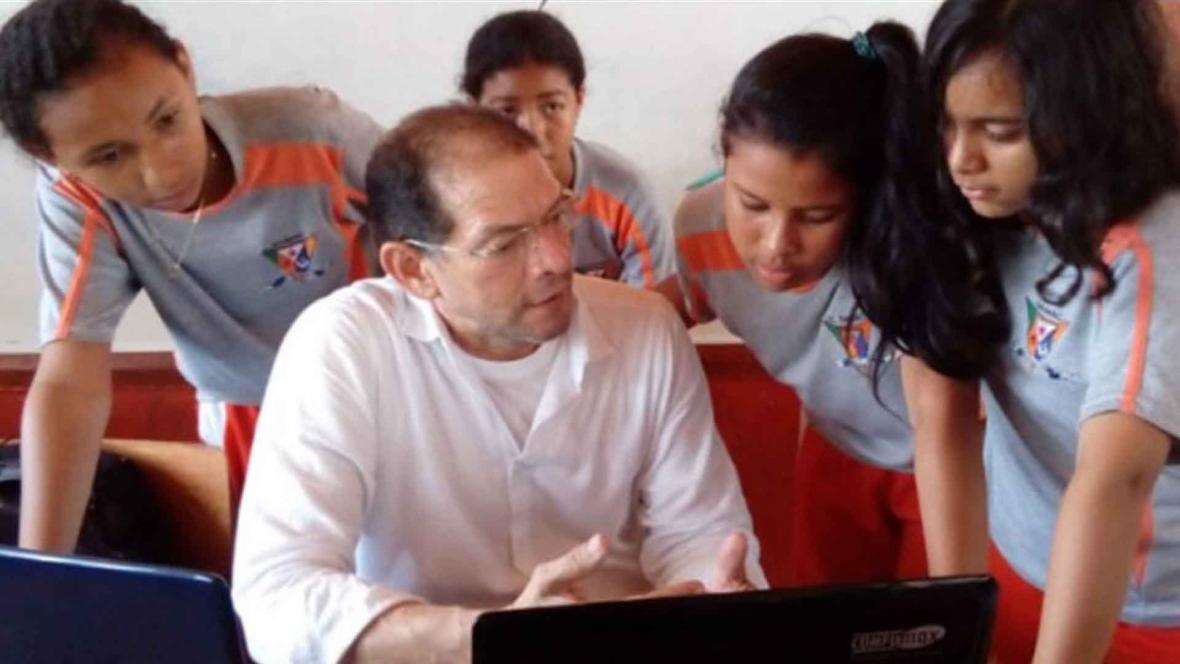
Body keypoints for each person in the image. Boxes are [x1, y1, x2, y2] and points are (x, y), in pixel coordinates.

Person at [231, 105, 764, 663]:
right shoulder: (344, 346)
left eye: (558, 216)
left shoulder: (646, 330)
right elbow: (278, 598)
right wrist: (493, 638)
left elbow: (702, 533)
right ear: (414, 270)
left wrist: (717, 604)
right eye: (504, 245)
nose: (558, 260)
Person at [0, 0, 382, 548]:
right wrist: (42, 576)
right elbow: (70, 378)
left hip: (379, 387)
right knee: (284, 591)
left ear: (184, 65)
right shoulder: (78, 198)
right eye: (109, 156)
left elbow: (442, 217)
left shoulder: (312, 130)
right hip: (248, 411)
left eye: (167, 119)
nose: (162, 171)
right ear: (50, 155)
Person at [900, 0, 1180, 661]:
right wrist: (961, 620)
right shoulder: (964, 213)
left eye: (1000, 133)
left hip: (1151, 598)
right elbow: (943, 416)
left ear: (1082, 123)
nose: (962, 160)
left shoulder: (1149, 250)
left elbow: (1114, 482)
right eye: (946, 127)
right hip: (1025, 555)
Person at [659, 24, 932, 586]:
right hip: (834, 451)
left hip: (946, 463)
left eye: (816, 217)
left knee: (933, 625)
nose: (775, 245)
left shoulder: (913, 246)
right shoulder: (700, 226)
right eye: (752, 204)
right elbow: (683, 304)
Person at [461, 10, 674, 287]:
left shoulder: (627, 193)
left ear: (578, 99)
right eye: (507, 110)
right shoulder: (457, 201)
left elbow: (655, 313)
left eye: (551, 107)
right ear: (474, 110)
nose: (532, 131)